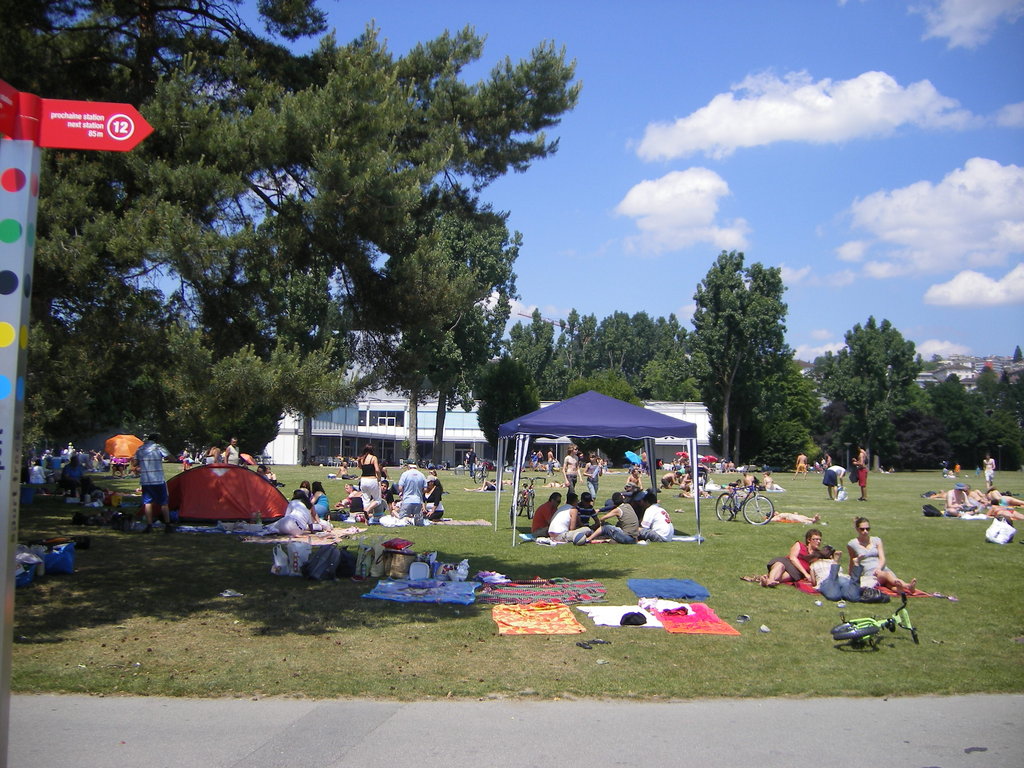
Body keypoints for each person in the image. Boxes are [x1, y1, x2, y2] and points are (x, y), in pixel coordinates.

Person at [847, 517, 917, 594]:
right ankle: (907, 586)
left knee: (888, 583)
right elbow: (852, 561)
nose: (865, 531)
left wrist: (879, 568)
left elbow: (882, 558)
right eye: (862, 529)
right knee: (886, 575)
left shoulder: (876, 540)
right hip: (870, 572)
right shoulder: (852, 544)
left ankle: (899, 590)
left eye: (867, 529)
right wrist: (851, 576)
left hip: (881, 568)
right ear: (857, 529)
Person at [744, 529, 822, 587]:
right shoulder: (799, 545)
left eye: (820, 540)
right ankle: (770, 580)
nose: (818, 541)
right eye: (816, 539)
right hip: (787, 562)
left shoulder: (818, 555)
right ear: (809, 540)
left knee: (782, 577)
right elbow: (792, 558)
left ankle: (764, 580)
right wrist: (806, 574)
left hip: (796, 572)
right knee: (780, 565)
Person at [134, 434, 174, 533]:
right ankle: (167, 525)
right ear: (157, 440)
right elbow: (172, 458)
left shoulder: (140, 448)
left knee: (147, 503)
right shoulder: (159, 447)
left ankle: (149, 525)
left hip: (146, 480)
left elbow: (134, 463)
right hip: (158, 479)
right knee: (164, 503)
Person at [397, 460, 427, 526]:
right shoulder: (421, 475)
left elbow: (400, 488)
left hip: (407, 499)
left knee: (402, 519)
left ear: (408, 466)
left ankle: (409, 521)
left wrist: (402, 493)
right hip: (418, 500)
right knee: (418, 521)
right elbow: (425, 489)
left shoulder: (405, 474)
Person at [357, 443, 383, 512]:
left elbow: (359, 467)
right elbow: (377, 469)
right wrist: (379, 477)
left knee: (366, 500)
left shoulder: (361, 458)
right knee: (378, 499)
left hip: (363, 480)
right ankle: (368, 510)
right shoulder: (373, 458)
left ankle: (366, 520)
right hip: (372, 479)